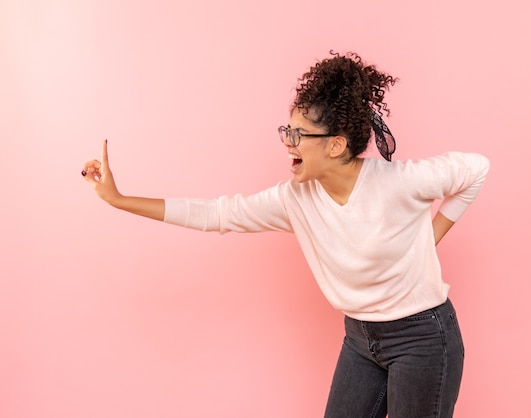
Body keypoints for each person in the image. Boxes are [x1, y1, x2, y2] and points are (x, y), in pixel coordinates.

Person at [82, 51, 489, 418]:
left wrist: (429, 237)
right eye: (286, 130)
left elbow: (476, 169)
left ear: (335, 146)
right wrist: (120, 200)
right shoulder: (295, 199)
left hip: (422, 338)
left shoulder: (398, 183)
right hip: (360, 339)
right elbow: (218, 213)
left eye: (297, 135)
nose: (286, 142)